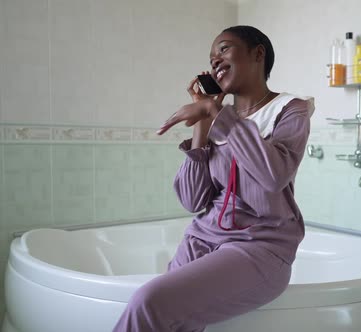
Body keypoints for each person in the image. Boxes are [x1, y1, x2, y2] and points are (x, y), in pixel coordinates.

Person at [113, 25, 314, 332]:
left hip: (259, 247)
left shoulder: (290, 109)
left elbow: (273, 176)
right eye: (211, 57)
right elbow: (193, 200)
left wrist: (219, 115)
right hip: (202, 238)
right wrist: (204, 123)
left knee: (148, 301)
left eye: (224, 49)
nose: (215, 60)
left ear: (258, 53)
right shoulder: (221, 116)